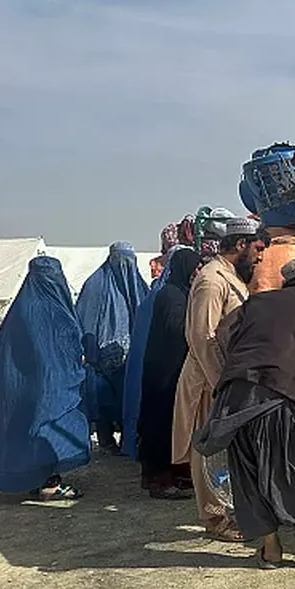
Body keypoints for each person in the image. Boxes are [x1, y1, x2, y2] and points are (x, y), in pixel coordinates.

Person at [194, 256, 295, 569]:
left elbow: (227, 338)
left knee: (249, 472)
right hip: (288, 394)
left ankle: (270, 548)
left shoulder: (254, 304)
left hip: (236, 397)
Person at [172, 218, 268, 541]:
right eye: (257, 249)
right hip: (207, 378)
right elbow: (202, 337)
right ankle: (214, 519)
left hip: (226, 374)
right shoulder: (212, 281)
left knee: (225, 448)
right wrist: (220, 383)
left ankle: (231, 508)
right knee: (207, 447)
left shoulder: (230, 277)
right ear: (241, 245)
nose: (260, 257)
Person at [0, 257, 90, 500]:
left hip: (25, 385)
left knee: (31, 429)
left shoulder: (21, 308)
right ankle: (50, 483)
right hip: (54, 386)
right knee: (52, 432)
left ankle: (39, 479)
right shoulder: (58, 309)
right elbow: (68, 346)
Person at [138, 248, 202, 499]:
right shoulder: (171, 295)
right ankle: (160, 480)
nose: (197, 272)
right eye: (194, 268)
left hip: (171, 368)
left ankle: (173, 474)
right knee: (160, 424)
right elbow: (176, 328)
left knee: (172, 422)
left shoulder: (179, 293)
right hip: (164, 371)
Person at [75, 241, 149, 453]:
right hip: (102, 357)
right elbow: (84, 317)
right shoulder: (95, 284)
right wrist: (91, 352)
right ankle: (106, 439)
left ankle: (128, 438)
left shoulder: (139, 285)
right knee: (103, 399)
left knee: (130, 398)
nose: (125, 267)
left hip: (131, 357)